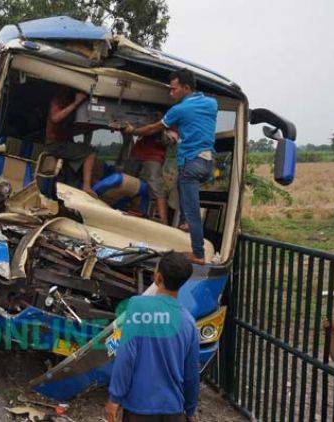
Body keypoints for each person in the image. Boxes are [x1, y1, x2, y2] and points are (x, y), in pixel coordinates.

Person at [122, 69, 217, 264]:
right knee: (181, 186)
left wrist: (133, 130)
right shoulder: (211, 103)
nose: (170, 93)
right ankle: (184, 224)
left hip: (192, 163)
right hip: (207, 163)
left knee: (192, 212)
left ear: (186, 88)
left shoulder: (178, 110)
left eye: (174, 90)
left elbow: (153, 129)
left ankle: (198, 254)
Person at [106, 252, 199, 422]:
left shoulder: (138, 306)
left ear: (157, 278)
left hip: (139, 409)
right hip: (173, 411)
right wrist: (190, 410)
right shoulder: (189, 322)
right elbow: (191, 373)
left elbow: (126, 356)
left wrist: (115, 398)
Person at [123, 111, 176, 224]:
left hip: (154, 156)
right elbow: (133, 129)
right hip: (137, 153)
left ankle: (163, 220)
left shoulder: (172, 118)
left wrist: (159, 125)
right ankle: (126, 210)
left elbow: (171, 140)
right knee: (127, 181)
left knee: (156, 185)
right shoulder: (143, 116)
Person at [44, 86, 98, 197]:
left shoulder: (72, 109)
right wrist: (75, 103)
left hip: (63, 145)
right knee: (90, 153)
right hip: (55, 145)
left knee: (72, 174)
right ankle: (86, 187)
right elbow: (55, 118)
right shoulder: (59, 100)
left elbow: (74, 129)